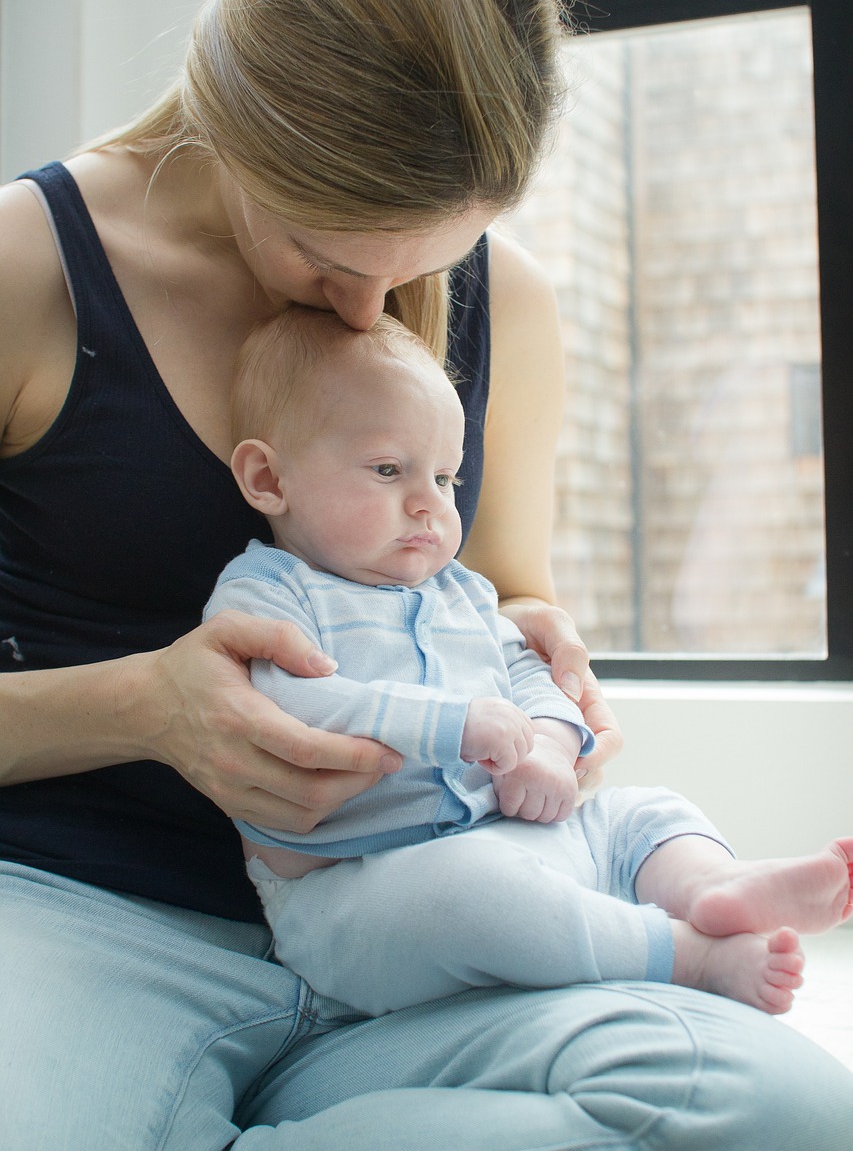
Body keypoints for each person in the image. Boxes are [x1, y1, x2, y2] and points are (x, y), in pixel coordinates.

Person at [1, 0, 851, 1148]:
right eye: (332, 260)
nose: (374, 314)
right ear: (241, 120)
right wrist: (147, 707)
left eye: (422, 266)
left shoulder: (507, 299)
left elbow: (500, 588)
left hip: (428, 930)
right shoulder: (26, 271)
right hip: (86, 917)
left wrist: (544, 650)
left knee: (785, 1105)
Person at [207, 304, 853, 1019]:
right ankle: (686, 953)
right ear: (269, 478)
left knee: (644, 814)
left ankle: (713, 886)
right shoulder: (267, 591)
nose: (428, 505)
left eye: (446, 479)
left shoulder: (457, 591)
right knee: (474, 896)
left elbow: (523, 673)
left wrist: (547, 743)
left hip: (523, 830)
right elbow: (289, 706)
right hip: (367, 894)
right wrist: (453, 724)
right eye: (389, 470)